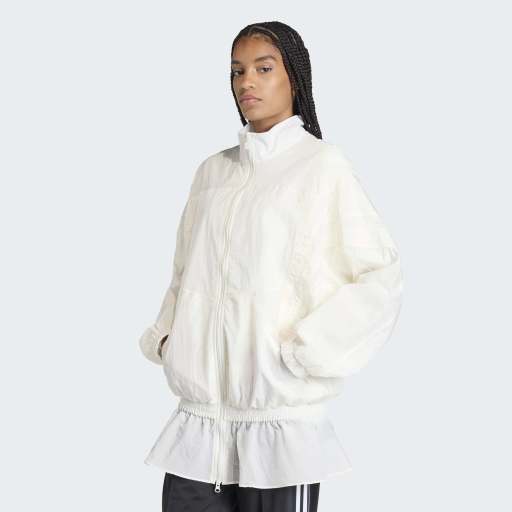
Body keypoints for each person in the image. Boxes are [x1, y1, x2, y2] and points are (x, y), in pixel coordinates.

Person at [139, 21, 403, 512]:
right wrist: (170, 339)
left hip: (279, 428)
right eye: (237, 71)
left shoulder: (322, 167)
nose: (247, 82)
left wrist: (307, 350)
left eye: (264, 68)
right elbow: (183, 273)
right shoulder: (212, 172)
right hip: (200, 429)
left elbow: (379, 277)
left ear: (294, 79)